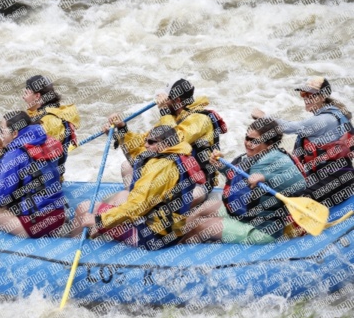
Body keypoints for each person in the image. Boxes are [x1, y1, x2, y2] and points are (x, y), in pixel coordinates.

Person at [72, 125, 206, 251]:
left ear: (165, 144)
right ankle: (93, 238)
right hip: (170, 232)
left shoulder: (160, 168)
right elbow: (138, 151)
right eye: (146, 140)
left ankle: (71, 254)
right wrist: (121, 130)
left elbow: (137, 206)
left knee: (84, 208)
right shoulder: (178, 154)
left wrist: (99, 220)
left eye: (151, 142)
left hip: (150, 237)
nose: (146, 144)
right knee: (122, 197)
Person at [179, 118, 307, 245]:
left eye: (254, 141)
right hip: (245, 214)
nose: (248, 143)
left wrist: (265, 177)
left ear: (270, 143)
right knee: (201, 210)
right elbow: (240, 177)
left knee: (201, 226)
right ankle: (175, 241)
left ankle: (178, 253)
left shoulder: (279, 158)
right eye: (247, 138)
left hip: (262, 229)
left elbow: (300, 183)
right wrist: (221, 165)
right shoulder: (255, 155)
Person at [106, 78, 227, 203]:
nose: (162, 102)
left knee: (191, 195)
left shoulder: (201, 119)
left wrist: (164, 111)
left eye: (166, 99)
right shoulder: (171, 116)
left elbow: (174, 142)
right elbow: (145, 143)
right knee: (127, 167)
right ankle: (133, 204)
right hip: (167, 174)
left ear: (177, 100)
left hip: (195, 181)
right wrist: (122, 129)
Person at [0, 111, 67, 238]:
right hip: (58, 216)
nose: (0, 135)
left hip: (35, 224)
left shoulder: (15, 153)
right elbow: (26, 165)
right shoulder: (43, 140)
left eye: (2, 130)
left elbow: (0, 197)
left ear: (15, 133)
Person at [252, 77, 353, 207]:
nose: (306, 98)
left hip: (336, 181)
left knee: (290, 199)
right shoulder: (335, 113)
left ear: (323, 97)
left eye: (311, 94)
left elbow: (290, 127)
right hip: (329, 177)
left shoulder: (325, 120)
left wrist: (264, 117)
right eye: (303, 94)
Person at [23, 75, 80, 176]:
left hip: (42, 182)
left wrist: (2, 147)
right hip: (50, 176)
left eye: (26, 93)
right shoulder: (56, 111)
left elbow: (28, 151)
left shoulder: (48, 121)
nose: (23, 97)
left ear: (37, 96)